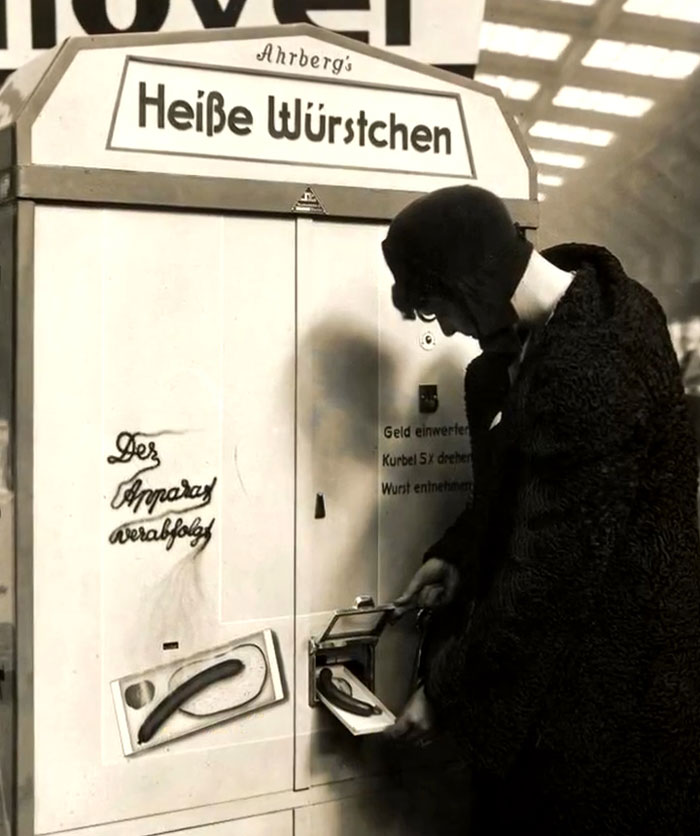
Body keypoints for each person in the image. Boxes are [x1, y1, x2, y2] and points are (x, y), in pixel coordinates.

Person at [381, 184, 700, 835]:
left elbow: (549, 573)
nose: (443, 328)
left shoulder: (596, 362)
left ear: (471, 281)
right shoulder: (540, 341)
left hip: (612, 709)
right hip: (567, 692)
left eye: (435, 305)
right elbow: (522, 491)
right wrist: (456, 556)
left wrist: (444, 689)